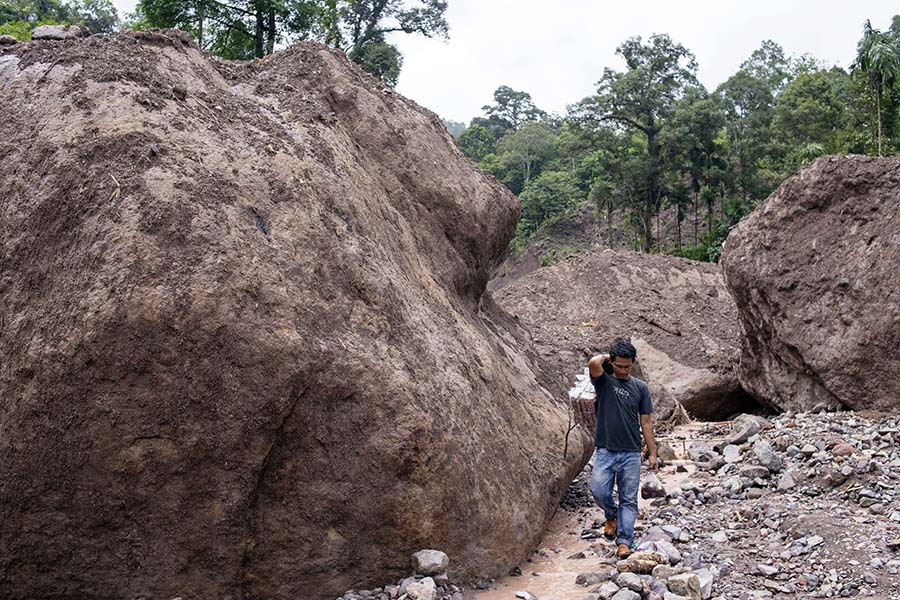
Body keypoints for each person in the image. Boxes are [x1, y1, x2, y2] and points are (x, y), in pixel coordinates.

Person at [587, 338, 657, 559]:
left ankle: (624, 542)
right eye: (619, 366)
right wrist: (606, 360)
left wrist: (653, 452)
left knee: (628, 499)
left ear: (633, 363)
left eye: (627, 366)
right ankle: (611, 514)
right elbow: (592, 364)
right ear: (612, 361)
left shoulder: (641, 388)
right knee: (598, 490)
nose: (623, 370)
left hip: (631, 452)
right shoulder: (604, 382)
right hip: (606, 449)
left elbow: (646, 422)